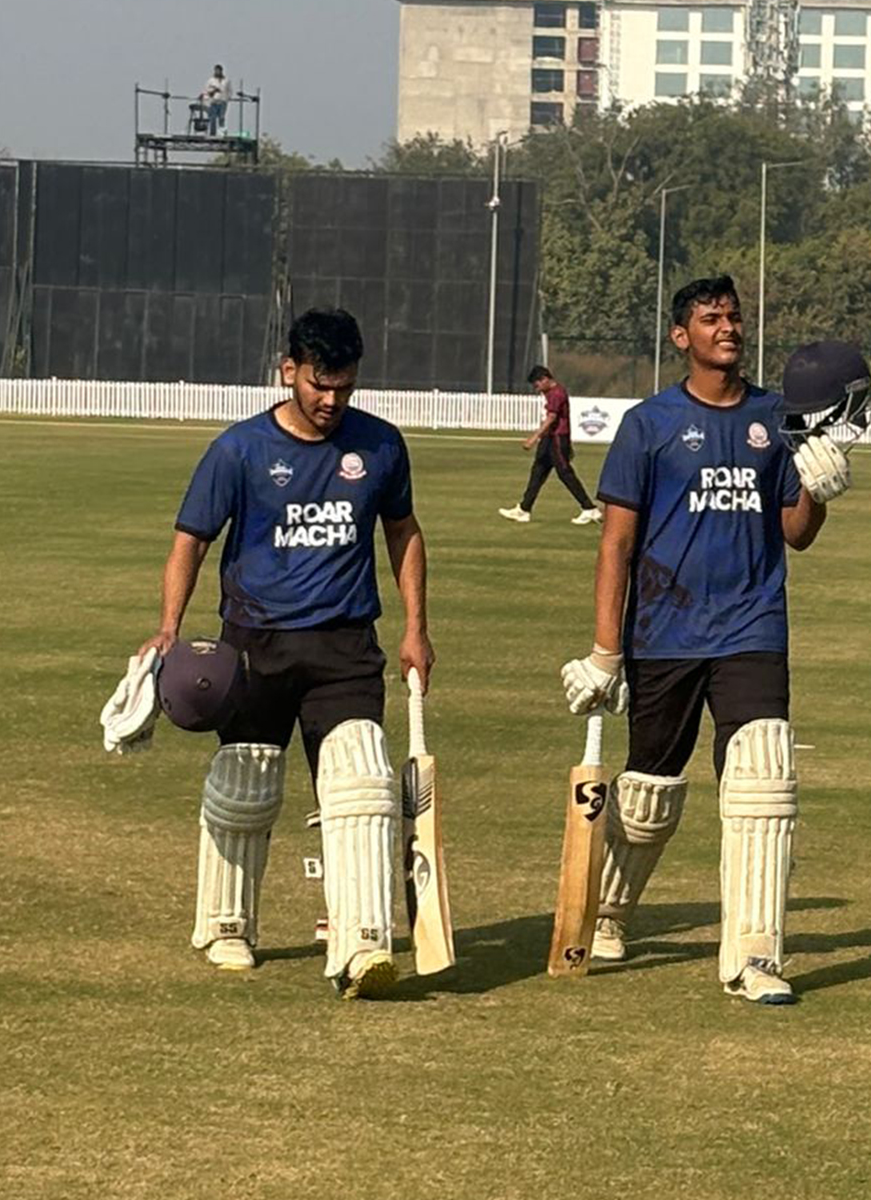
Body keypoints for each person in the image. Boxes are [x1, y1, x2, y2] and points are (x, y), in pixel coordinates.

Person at [559, 275, 853, 1006]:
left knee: (763, 780)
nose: (728, 327)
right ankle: (612, 910)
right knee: (650, 792)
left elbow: (796, 535)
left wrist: (819, 486)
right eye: (711, 318)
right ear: (680, 337)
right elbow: (615, 543)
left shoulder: (777, 419)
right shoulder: (649, 425)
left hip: (753, 626)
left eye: (735, 316)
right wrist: (605, 650)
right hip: (665, 629)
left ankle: (754, 957)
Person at [137, 307, 433, 1000]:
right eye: (318, 385)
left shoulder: (381, 446)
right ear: (289, 370)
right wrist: (168, 628)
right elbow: (191, 539)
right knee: (246, 786)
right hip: (255, 643)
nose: (331, 402)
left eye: (344, 388)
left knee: (362, 784)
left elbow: (404, 534)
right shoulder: (239, 450)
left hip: (345, 642)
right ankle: (228, 923)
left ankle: (362, 943)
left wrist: (416, 627)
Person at [499, 366, 602, 526]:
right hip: (549, 439)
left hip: (556, 438)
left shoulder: (557, 393)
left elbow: (552, 418)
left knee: (565, 473)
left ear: (545, 379)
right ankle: (524, 509)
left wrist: (534, 438)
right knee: (538, 472)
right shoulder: (551, 393)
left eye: (537, 385)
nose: (537, 389)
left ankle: (589, 508)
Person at [200, 65, 231, 135]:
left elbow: (229, 91)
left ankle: (222, 133)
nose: (218, 72)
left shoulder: (226, 81)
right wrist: (207, 98)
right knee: (212, 118)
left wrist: (227, 98)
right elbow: (206, 91)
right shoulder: (211, 81)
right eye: (216, 70)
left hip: (222, 102)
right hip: (213, 102)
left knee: (221, 118)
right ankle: (212, 133)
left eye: (219, 70)